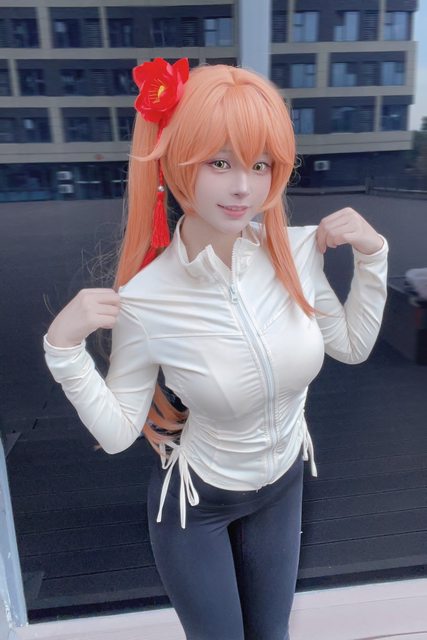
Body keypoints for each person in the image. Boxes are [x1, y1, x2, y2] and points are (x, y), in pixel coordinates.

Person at [42, 58, 389, 640]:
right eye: (220, 163)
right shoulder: (148, 298)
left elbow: (351, 345)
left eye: (261, 164)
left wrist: (374, 256)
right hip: (195, 506)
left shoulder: (296, 255)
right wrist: (63, 350)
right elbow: (119, 432)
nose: (243, 187)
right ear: (177, 163)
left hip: (284, 487)